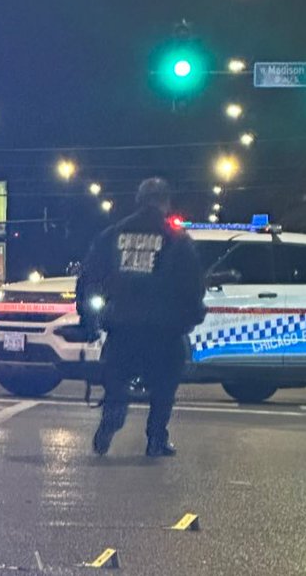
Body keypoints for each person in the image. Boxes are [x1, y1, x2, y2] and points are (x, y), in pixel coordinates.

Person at [76, 177, 206, 458]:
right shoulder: (176, 239)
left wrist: (88, 320)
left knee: (117, 376)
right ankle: (156, 438)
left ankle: (113, 415)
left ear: (139, 200)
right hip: (163, 329)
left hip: (121, 325)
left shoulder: (113, 234)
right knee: (165, 383)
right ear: (165, 201)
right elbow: (191, 283)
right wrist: (193, 315)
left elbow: (88, 276)